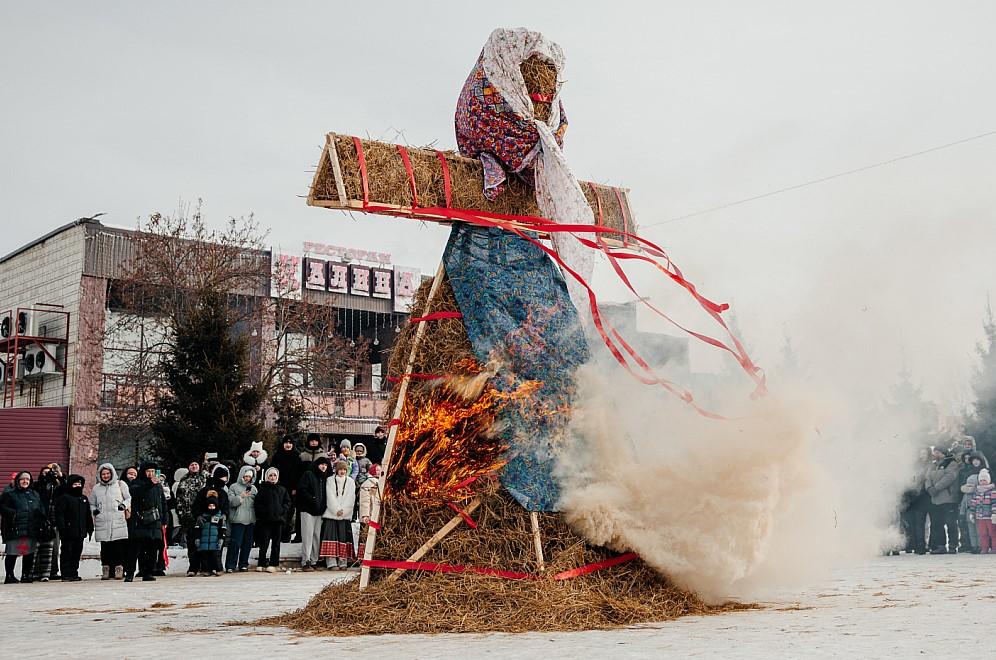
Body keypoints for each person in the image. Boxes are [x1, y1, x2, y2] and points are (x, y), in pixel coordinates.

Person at [125, 462, 168, 582]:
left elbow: (162, 503)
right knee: (135, 548)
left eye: (153, 471)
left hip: (155, 521)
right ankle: (130, 573)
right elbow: (136, 493)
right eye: (148, 471)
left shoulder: (158, 486)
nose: (150, 474)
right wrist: (150, 484)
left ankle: (148, 572)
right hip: (140, 520)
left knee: (152, 548)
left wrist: (165, 518)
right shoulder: (137, 483)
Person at [1, 472, 46, 584]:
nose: (25, 481)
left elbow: (41, 508)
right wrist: (13, 514)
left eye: (27, 479)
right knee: (12, 552)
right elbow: (2, 507)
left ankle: (26, 575)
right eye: (22, 479)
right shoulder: (9, 494)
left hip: (31, 528)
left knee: (29, 553)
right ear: (18, 481)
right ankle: (9, 575)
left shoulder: (34, 494)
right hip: (15, 528)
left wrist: (41, 517)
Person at [90, 463, 131, 580]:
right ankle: (106, 570)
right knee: (105, 547)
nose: (106, 476)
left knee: (118, 547)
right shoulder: (96, 488)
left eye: (108, 473)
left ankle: (119, 569)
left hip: (117, 520)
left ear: (112, 473)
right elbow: (92, 503)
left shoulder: (120, 485)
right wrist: (94, 511)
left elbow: (128, 498)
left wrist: (123, 506)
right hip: (103, 521)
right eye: (103, 474)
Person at [54, 475, 94, 582]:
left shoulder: (84, 499)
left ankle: (74, 572)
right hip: (68, 532)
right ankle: (66, 574)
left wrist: (90, 527)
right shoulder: (64, 498)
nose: (77, 486)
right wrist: (62, 528)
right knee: (67, 552)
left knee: (77, 553)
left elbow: (87, 515)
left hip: (80, 532)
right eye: (75, 484)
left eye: (79, 484)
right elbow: (60, 515)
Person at [320, 460, 356, 570]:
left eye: (344, 469)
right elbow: (329, 495)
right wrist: (336, 509)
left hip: (345, 514)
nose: (342, 471)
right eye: (340, 469)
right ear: (336, 470)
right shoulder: (330, 480)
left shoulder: (350, 481)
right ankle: (331, 561)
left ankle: (343, 561)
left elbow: (351, 497)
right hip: (332, 513)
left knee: (343, 537)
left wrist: (344, 510)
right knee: (331, 536)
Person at [254, 467, 291, 572]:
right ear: (267, 477)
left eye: (274, 475)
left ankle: (273, 563)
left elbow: (287, 502)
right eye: (270, 475)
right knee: (264, 543)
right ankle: (261, 563)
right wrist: (263, 513)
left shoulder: (282, 489)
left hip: (278, 520)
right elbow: (257, 504)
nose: (272, 477)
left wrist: (282, 510)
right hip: (265, 521)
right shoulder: (262, 489)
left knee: (276, 544)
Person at [925, 446, 961, 553]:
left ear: (943, 453)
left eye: (937, 452)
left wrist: (936, 488)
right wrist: (929, 488)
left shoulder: (951, 463)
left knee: (951, 523)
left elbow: (949, 477)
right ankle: (941, 546)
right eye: (934, 452)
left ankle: (953, 545)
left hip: (949, 499)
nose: (935, 454)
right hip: (935, 499)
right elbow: (927, 478)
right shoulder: (933, 465)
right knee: (937, 523)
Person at [296, 456, 329, 571]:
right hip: (308, 510)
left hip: (319, 512)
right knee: (307, 536)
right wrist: (312, 499)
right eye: (322, 464)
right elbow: (301, 490)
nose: (324, 466)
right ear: (317, 465)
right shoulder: (309, 474)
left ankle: (314, 560)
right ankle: (306, 561)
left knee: (316, 536)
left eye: (325, 465)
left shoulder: (325, 478)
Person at [32, 463, 64, 581]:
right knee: (37, 548)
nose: (47, 475)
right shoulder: (37, 486)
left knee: (54, 548)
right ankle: (35, 571)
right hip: (39, 521)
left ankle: (53, 571)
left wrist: (59, 475)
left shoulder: (56, 486)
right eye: (44, 473)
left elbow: (65, 488)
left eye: (49, 473)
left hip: (53, 521)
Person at [174, 459, 207, 576]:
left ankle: (205, 566)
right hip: (188, 517)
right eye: (191, 464)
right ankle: (193, 567)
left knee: (204, 542)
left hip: (203, 516)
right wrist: (181, 515)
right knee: (192, 543)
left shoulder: (205, 478)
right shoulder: (184, 480)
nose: (193, 466)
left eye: (196, 464)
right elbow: (178, 499)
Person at [270, 437, 303, 542]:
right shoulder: (278, 455)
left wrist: (295, 487)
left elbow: (299, 473)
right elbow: (272, 469)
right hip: (279, 487)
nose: (288, 445)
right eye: (286, 443)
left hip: (292, 489)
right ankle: (277, 534)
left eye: (290, 443)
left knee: (289, 511)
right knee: (278, 510)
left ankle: (286, 535)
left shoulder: (297, 455)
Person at [225, 466, 257, 573]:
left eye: (249, 476)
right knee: (235, 544)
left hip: (250, 520)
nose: (247, 478)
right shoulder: (233, 487)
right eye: (245, 476)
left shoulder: (254, 488)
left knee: (247, 544)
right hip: (238, 520)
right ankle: (230, 565)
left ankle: (243, 564)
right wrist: (241, 497)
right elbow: (231, 502)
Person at [193, 493, 227, 576]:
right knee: (205, 557)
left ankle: (218, 569)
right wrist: (197, 538)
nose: (211, 508)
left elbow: (222, 529)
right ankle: (206, 570)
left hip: (214, 541)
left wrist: (221, 539)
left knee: (215, 556)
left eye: (213, 506)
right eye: (210, 506)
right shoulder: (203, 516)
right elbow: (197, 528)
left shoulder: (219, 517)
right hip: (204, 541)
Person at [357, 463, 382, 559]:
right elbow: (365, 501)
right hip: (370, 515)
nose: (379, 472)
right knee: (367, 537)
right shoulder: (368, 484)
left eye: (380, 470)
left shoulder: (380, 483)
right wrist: (365, 515)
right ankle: (363, 558)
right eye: (377, 470)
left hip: (377, 514)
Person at [971, 468, 996, 554]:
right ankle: (984, 548)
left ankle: (994, 547)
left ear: (988, 480)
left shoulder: (992, 491)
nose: (983, 482)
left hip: (989, 516)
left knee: (992, 532)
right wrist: (972, 512)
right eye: (981, 480)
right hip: (980, 516)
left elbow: (994, 502)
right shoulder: (977, 491)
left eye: (984, 480)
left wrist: (994, 513)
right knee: (983, 533)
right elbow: (974, 502)